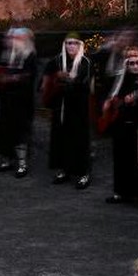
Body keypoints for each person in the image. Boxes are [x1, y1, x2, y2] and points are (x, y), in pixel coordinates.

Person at [102, 46, 138, 211]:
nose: (135, 66)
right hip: (122, 127)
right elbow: (113, 98)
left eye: (137, 63)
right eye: (131, 63)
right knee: (122, 160)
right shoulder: (121, 80)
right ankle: (121, 192)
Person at [44, 33, 94, 190]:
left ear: (79, 45)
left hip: (79, 108)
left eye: (74, 43)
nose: (71, 46)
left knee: (80, 139)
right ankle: (64, 169)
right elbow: (46, 76)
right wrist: (57, 77)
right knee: (62, 138)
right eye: (68, 43)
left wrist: (66, 80)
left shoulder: (85, 62)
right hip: (61, 107)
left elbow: (83, 84)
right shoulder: (57, 60)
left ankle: (84, 173)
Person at [0, 26, 38, 178]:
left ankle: (22, 163)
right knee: (4, 129)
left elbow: (29, 76)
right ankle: (7, 159)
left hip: (22, 100)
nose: (11, 41)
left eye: (15, 39)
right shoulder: (6, 54)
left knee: (20, 130)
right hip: (6, 98)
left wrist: (12, 78)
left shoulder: (29, 55)